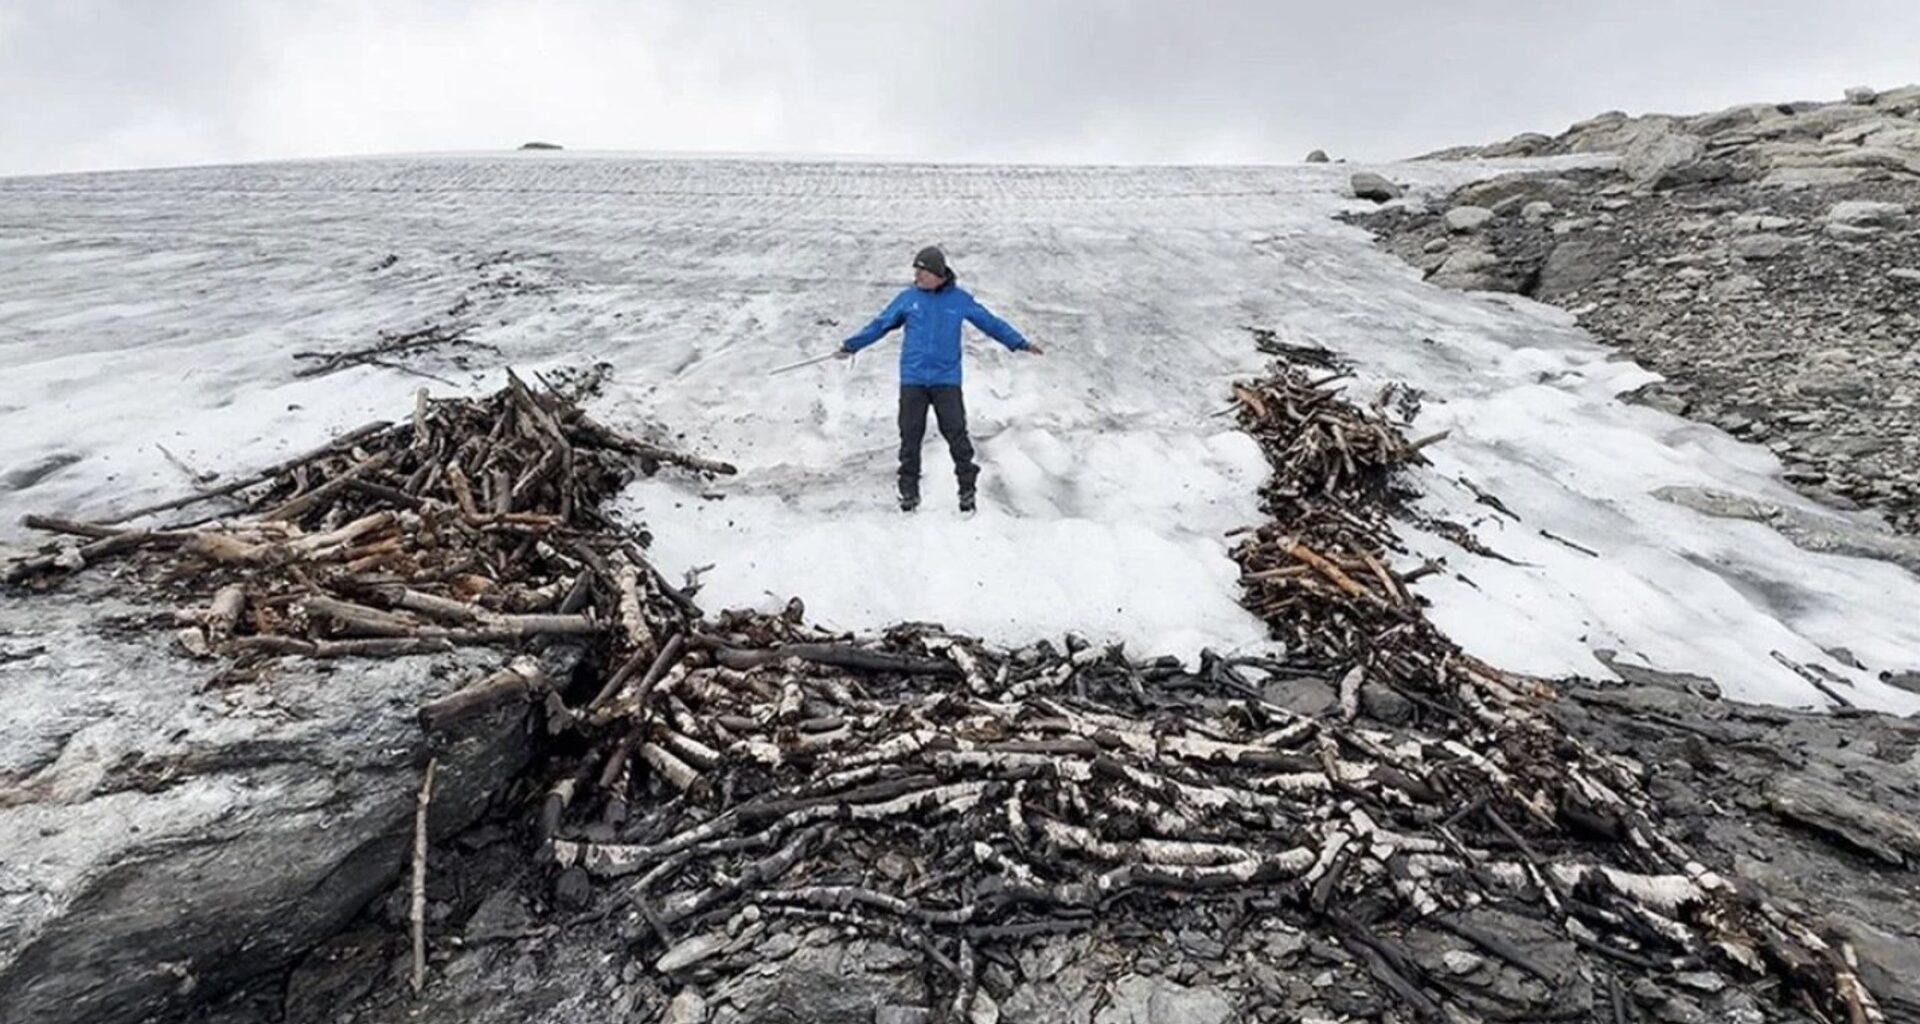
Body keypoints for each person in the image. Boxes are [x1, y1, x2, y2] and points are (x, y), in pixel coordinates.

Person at [838, 246, 1043, 512]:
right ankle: (908, 494)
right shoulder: (908, 299)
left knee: (957, 435)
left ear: (937, 273)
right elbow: (880, 324)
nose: (916, 276)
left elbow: (990, 323)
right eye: (916, 271)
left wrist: (1019, 342)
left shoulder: (959, 300)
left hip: (946, 380)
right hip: (913, 379)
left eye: (921, 271)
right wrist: (851, 345)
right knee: (910, 437)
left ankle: (967, 491)